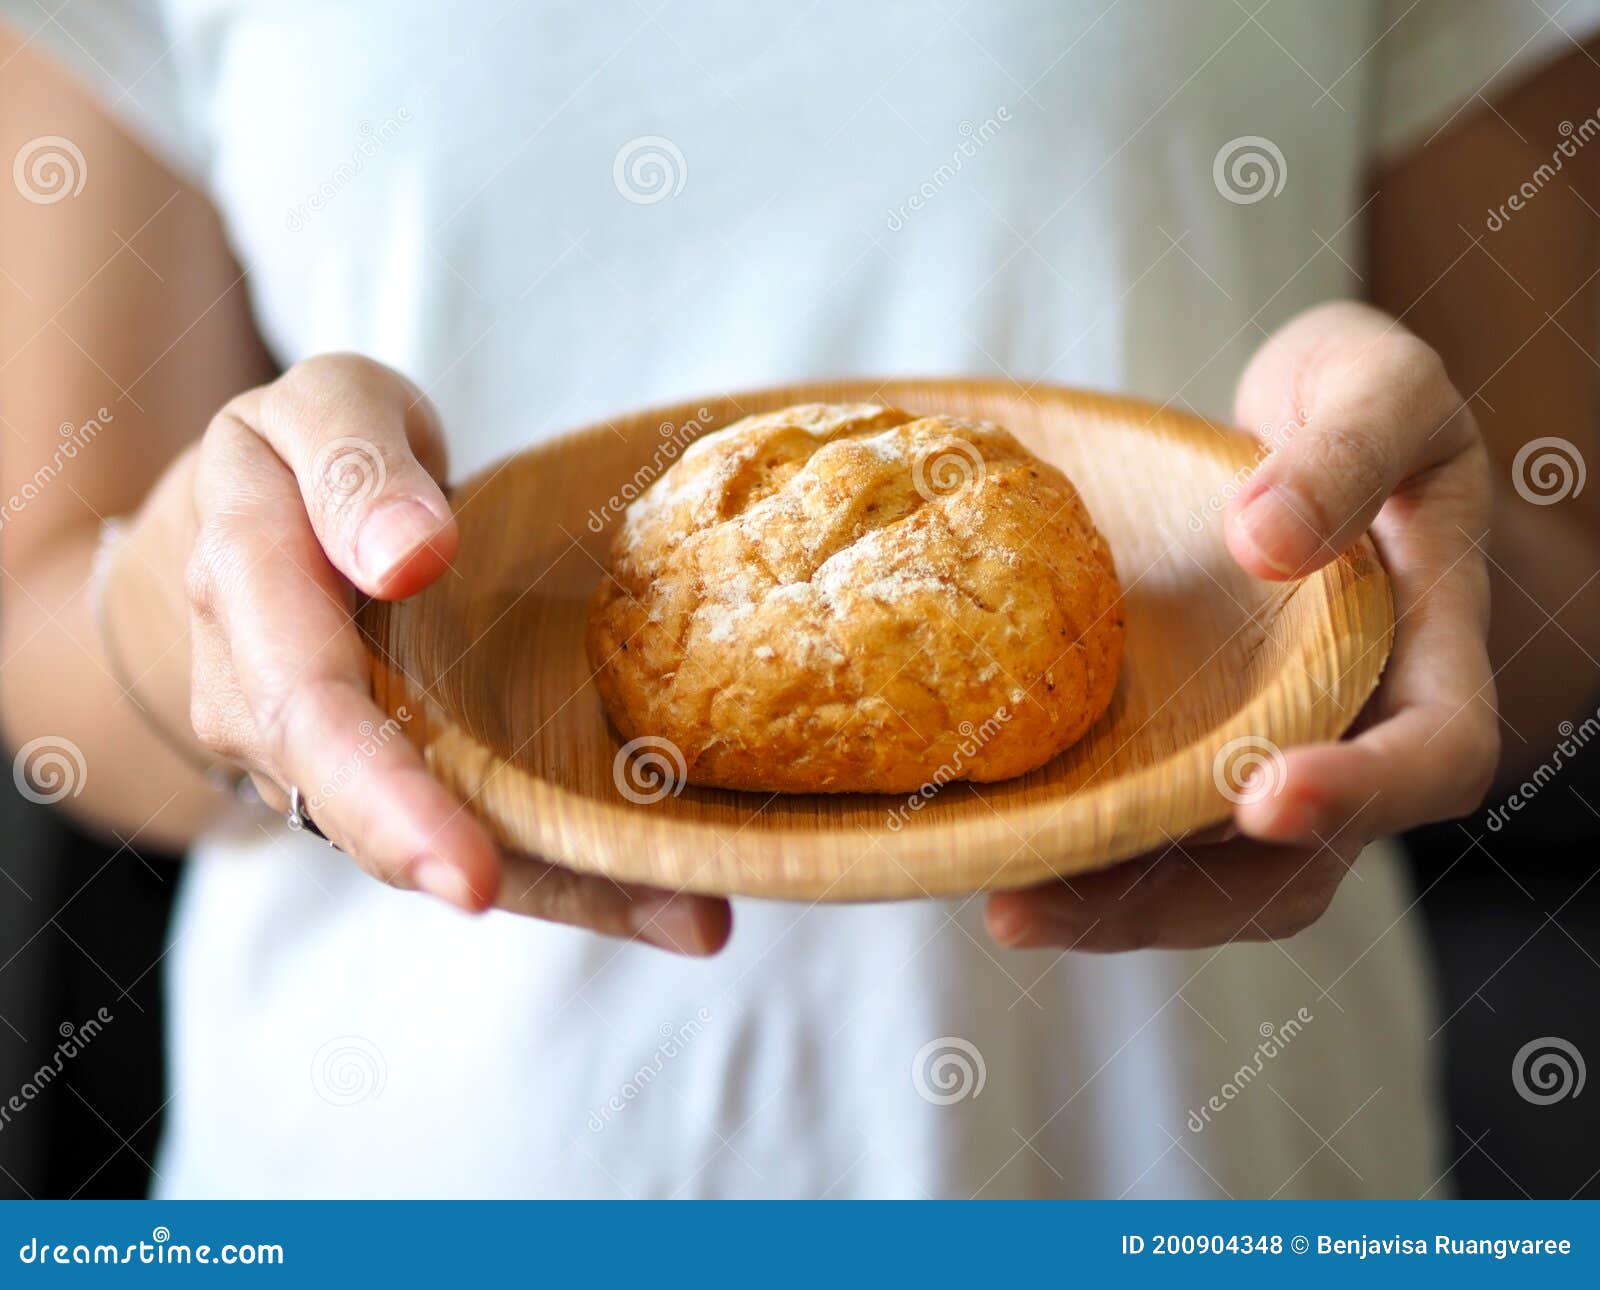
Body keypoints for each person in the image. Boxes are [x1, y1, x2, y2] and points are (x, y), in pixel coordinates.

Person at [1, 0, 1596, 1198]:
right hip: (416, 1168)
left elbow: (1556, 575)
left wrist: (1393, 594)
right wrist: (195, 624)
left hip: (1196, 1159)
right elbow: (39, 603)